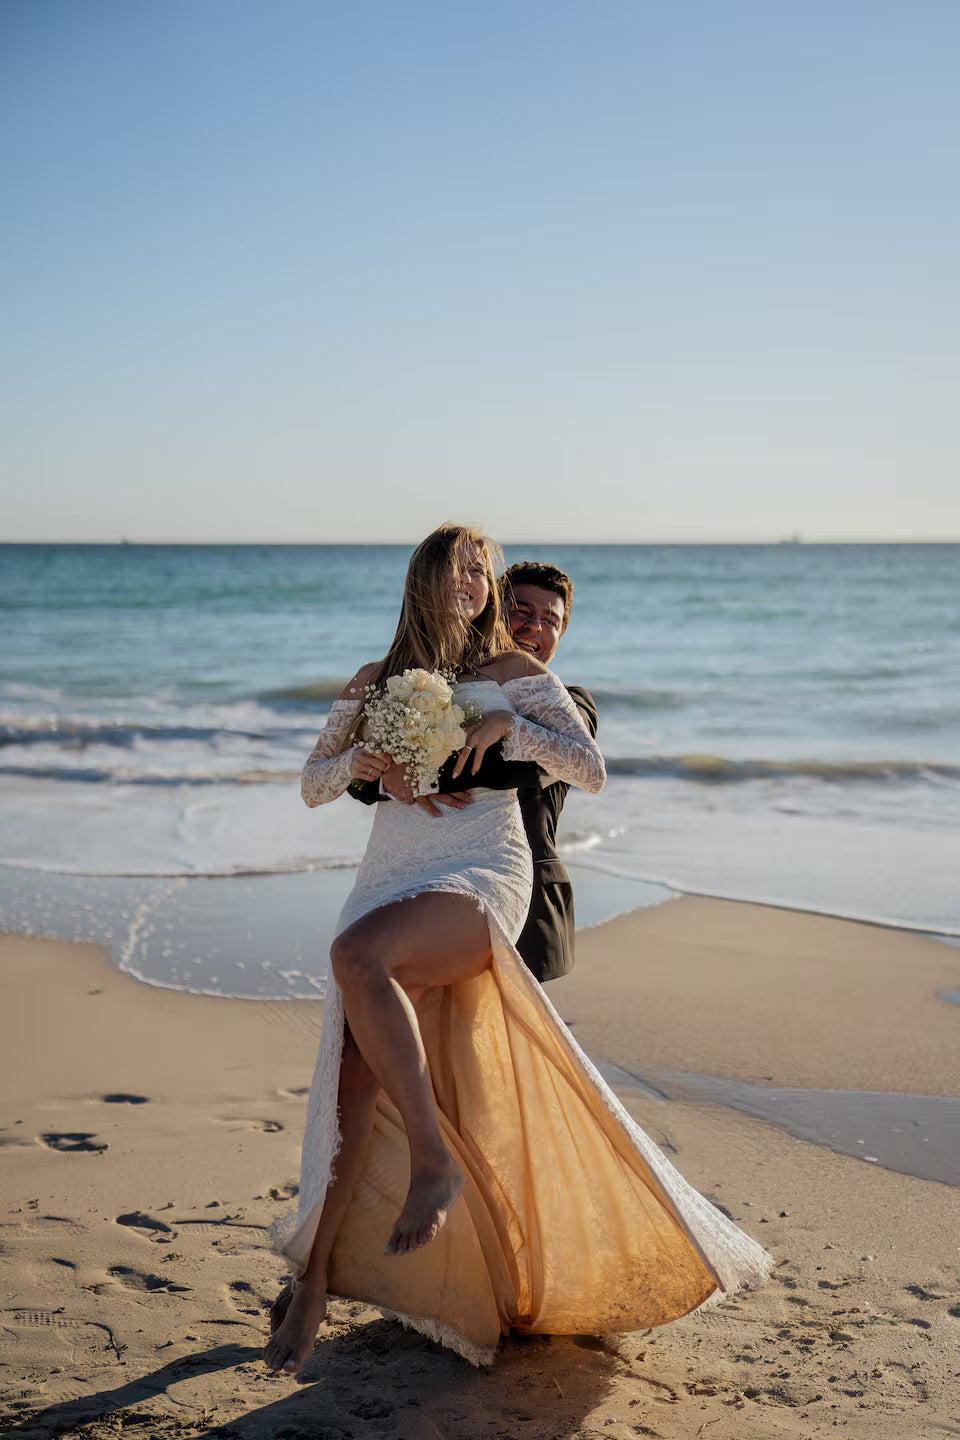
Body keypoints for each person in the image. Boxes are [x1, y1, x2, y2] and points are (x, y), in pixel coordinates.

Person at [265, 523, 770, 1374]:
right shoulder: (373, 680)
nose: (476, 580)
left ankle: (431, 1159)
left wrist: (508, 727)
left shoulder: (519, 676)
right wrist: (367, 762)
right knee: (356, 1074)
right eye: (463, 567)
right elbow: (314, 785)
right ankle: (313, 1278)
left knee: (356, 958)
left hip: (480, 872)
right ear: (427, 577)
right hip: (390, 872)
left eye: (484, 570)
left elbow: (590, 766)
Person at [349, 560, 596, 983]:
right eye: (520, 610)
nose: (534, 626)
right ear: (493, 613)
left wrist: (424, 769)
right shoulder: (448, 692)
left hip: (524, 893)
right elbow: (362, 777)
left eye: (550, 619)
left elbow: (526, 767)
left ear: (561, 633)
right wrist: (391, 778)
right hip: (433, 885)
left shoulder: (570, 706)